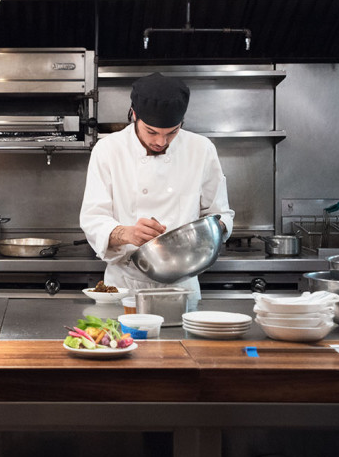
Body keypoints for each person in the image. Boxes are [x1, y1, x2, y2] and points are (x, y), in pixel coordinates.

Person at [79, 72, 234, 301]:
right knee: (122, 338)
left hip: (183, 287)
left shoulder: (201, 149)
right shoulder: (108, 150)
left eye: (172, 132)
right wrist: (127, 233)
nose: (161, 142)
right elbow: (93, 219)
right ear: (134, 115)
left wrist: (210, 231)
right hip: (126, 285)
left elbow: (220, 214)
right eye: (152, 131)